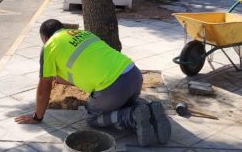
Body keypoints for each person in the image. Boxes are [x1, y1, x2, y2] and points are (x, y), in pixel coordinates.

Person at [15, 19, 171, 147]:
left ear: (45, 38)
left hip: (113, 88)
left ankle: (132, 116)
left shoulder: (49, 46)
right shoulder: (83, 34)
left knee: (92, 117)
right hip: (134, 75)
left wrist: (37, 117)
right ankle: (147, 109)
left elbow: (44, 87)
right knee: (120, 100)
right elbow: (87, 70)